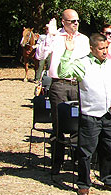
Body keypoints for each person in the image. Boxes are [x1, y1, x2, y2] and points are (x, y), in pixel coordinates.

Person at [58, 33, 111, 195]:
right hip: (90, 115)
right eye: (101, 48)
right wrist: (68, 52)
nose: (105, 51)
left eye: (106, 48)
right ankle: (83, 183)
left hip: (109, 115)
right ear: (92, 48)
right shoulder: (82, 64)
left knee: (109, 149)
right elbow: (63, 72)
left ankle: (109, 180)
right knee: (85, 151)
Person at [41, 9, 91, 175]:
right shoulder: (55, 37)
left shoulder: (83, 40)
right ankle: (57, 163)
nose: (76, 24)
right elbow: (40, 55)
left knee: (78, 124)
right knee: (59, 126)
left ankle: (76, 162)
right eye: (72, 21)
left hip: (77, 84)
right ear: (63, 22)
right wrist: (49, 35)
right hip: (59, 85)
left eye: (77, 21)